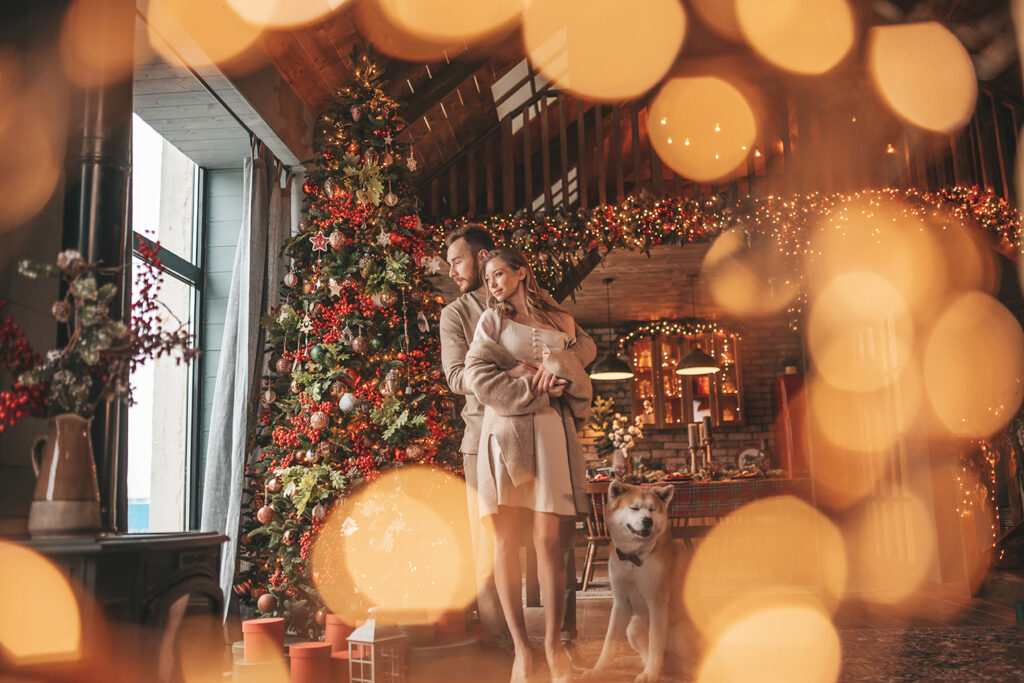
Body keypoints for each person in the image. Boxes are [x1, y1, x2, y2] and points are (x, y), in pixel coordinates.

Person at [464, 248, 594, 683]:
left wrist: (562, 374)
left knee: (548, 540)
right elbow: (479, 379)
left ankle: (555, 646)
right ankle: (522, 651)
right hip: (506, 436)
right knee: (504, 542)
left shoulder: (561, 322)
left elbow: (580, 365)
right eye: (488, 278)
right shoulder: (491, 322)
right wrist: (534, 387)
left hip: (553, 435)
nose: (494, 283)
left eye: (500, 273)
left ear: (522, 272)